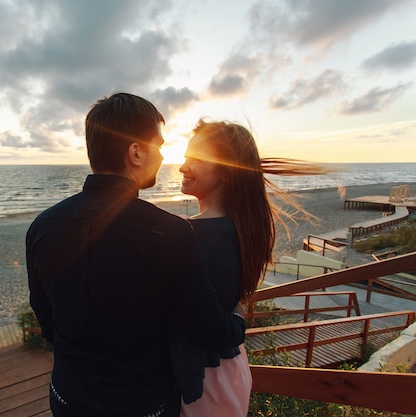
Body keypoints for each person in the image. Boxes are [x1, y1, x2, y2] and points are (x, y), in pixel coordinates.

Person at [26, 93, 246, 417]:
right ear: (136, 151)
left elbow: (46, 321)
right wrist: (239, 320)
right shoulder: (171, 234)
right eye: (159, 145)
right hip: (144, 407)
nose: (162, 155)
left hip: (66, 398)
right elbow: (208, 329)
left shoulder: (42, 227)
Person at [178, 119, 323, 417]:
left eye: (197, 159)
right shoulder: (246, 228)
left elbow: (196, 323)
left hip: (201, 379)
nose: (182, 167)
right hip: (231, 371)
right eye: (185, 156)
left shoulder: (191, 236)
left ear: (226, 173)